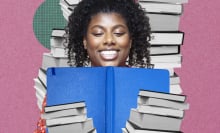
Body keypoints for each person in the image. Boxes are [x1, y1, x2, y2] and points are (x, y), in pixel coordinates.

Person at [35, 0, 152, 132]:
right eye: (97, 33)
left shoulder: (152, 90)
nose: (109, 40)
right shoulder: (61, 89)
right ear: (85, 41)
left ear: (130, 40)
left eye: (118, 33)